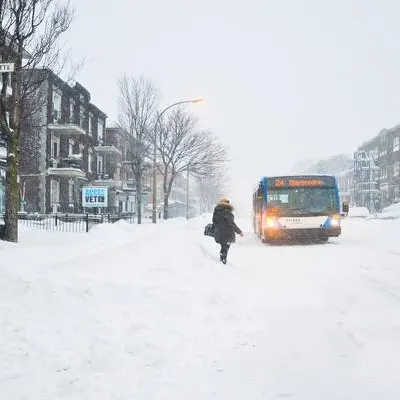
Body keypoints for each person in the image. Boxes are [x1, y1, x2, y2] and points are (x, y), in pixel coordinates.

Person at [212, 198, 243, 264]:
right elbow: (231, 223)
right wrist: (239, 231)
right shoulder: (227, 212)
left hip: (218, 233)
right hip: (227, 234)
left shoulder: (216, 212)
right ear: (227, 204)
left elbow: (214, 222)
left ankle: (222, 259)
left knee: (223, 247)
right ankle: (223, 261)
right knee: (225, 248)